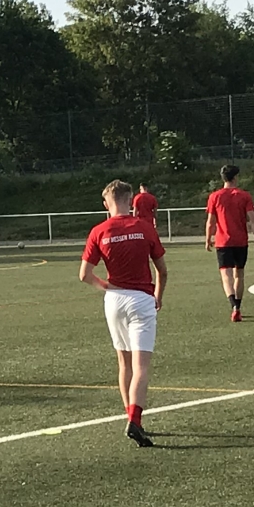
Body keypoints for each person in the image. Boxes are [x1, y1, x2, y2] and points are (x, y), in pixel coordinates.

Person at [80, 180, 168, 448]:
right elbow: (162, 270)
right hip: (141, 299)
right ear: (130, 201)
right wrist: (158, 296)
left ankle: (130, 416)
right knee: (141, 365)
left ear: (106, 204)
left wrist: (107, 287)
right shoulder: (144, 228)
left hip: (114, 301)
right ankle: (135, 419)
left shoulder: (99, 231)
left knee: (124, 363)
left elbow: (84, 275)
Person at [204, 164, 254, 322]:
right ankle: (238, 306)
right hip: (240, 241)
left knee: (226, 276)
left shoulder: (214, 197)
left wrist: (208, 238)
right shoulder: (244, 196)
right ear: (235, 177)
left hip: (223, 242)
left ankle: (234, 306)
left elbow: (210, 222)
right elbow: (253, 220)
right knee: (239, 275)